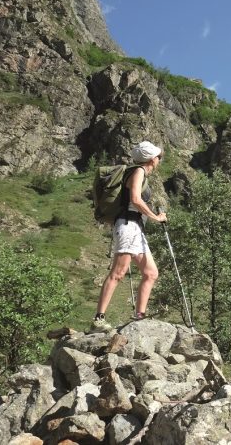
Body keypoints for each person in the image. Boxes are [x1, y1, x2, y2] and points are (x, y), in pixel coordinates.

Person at [91, 140, 167, 332]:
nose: (159, 159)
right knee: (118, 272)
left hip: (135, 228)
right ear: (151, 159)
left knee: (151, 273)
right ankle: (98, 320)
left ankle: (139, 316)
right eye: (158, 157)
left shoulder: (139, 172)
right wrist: (155, 217)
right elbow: (135, 199)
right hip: (127, 225)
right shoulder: (138, 171)